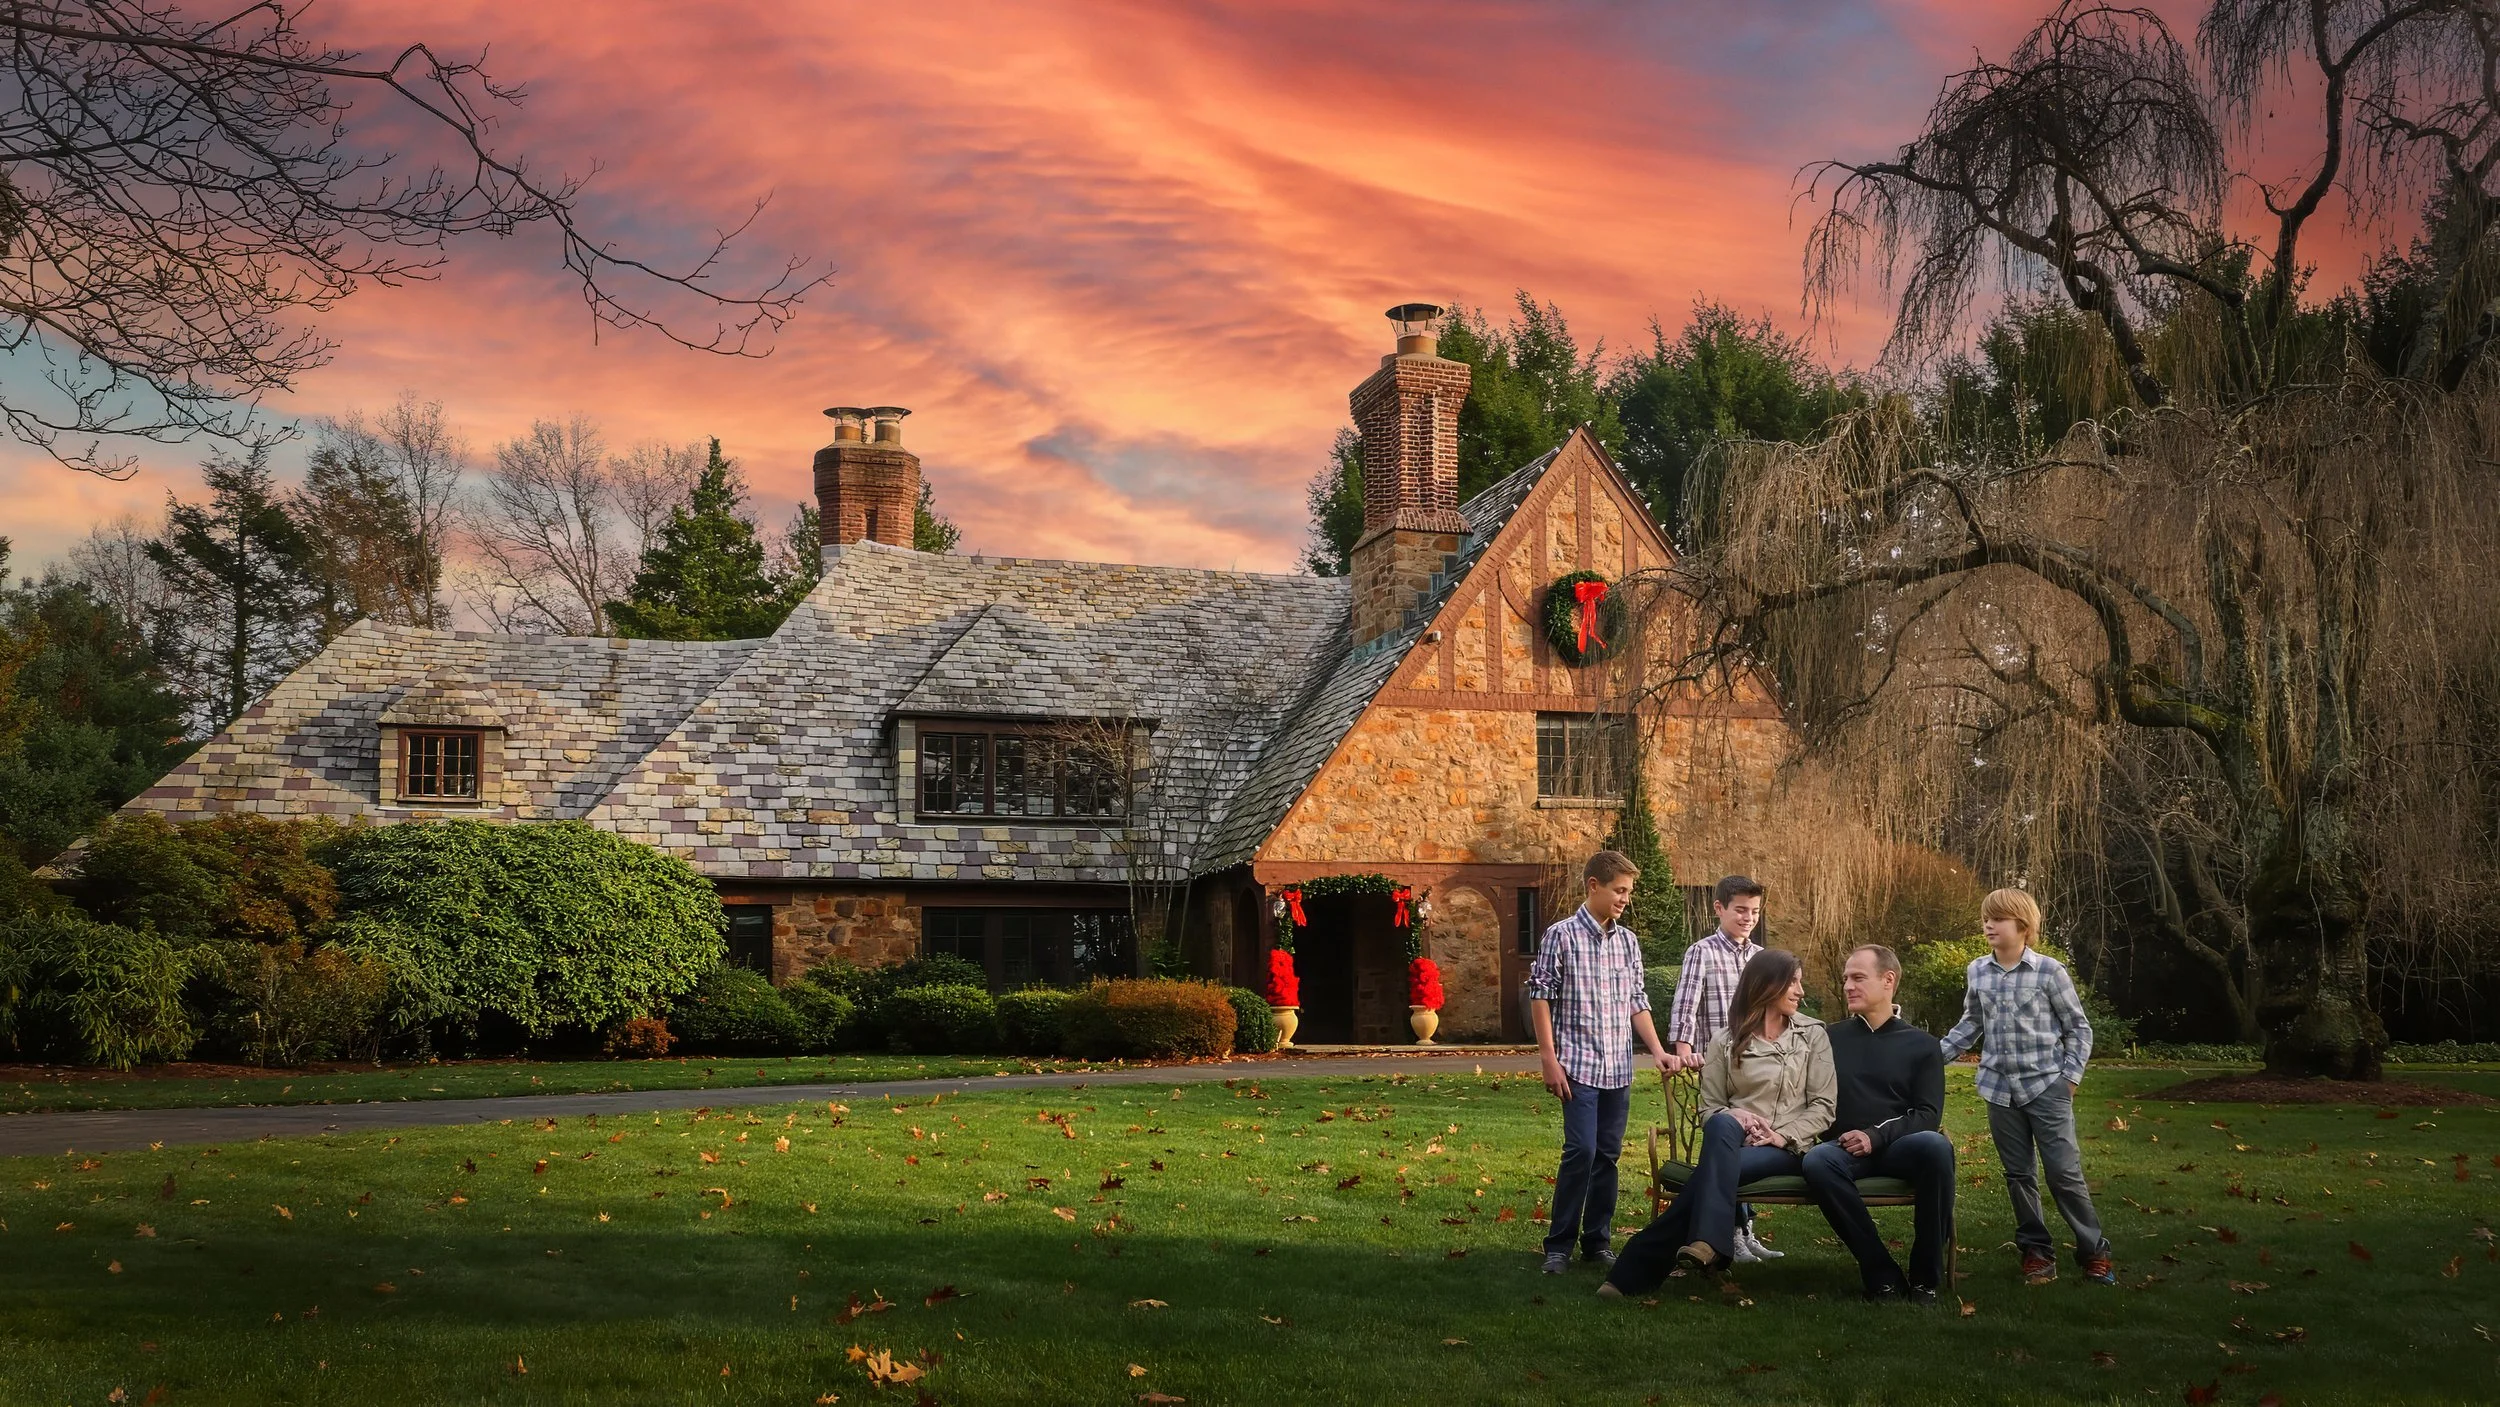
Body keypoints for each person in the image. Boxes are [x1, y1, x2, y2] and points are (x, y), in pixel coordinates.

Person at [1601, 948, 1833, 1295]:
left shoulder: (1812, 1035)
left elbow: (1824, 1105)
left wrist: (1780, 1136)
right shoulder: (1725, 1041)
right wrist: (1732, 1113)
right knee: (1723, 1123)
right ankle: (1708, 1243)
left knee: (1711, 1171)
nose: (1800, 991)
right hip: (1732, 1142)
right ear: (1767, 986)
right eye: (1793, 983)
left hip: (1788, 1147)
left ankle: (1680, 1251)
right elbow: (1709, 1109)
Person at [1939, 888, 2116, 1286]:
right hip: (1999, 1091)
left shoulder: (2049, 971)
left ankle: (2094, 1253)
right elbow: (1971, 1024)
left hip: (2046, 1086)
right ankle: (2036, 1252)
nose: (1988, 925)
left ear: (2023, 926)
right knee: (2019, 1176)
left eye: (1997, 919)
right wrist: (1931, 1057)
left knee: (2063, 1174)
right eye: (1986, 918)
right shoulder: (1978, 971)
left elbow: (2078, 1028)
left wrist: (2069, 1078)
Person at [1526, 850, 1676, 1275]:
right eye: (1620, 890)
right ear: (1594, 886)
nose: (1625, 899)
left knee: (1607, 1155)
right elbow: (1540, 995)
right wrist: (1548, 1060)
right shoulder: (1562, 936)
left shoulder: (1627, 942)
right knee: (1581, 1151)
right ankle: (1558, 1246)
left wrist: (1659, 1050)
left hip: (1618, 1070)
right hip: (1576, 1066)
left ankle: (1597, 1242)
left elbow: (1637, 1003)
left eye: (1628, 892)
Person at [1803, 944, 1955, 1305]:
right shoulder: (1829, 1037)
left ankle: (1925, 1278)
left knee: (1936, 1147)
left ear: (1888, 981)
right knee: (1817, 1162)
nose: (1848, 986)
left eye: (1858, 978)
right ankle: (1880, 1273)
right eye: (1845, 979)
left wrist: (1876, 1135)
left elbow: (1928, 1114)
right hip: (1844, 1149)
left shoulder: (1922, 1045)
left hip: (1900, 1146)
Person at [1667, 874, 1780, 1263]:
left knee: (1751, 1143)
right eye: (1740, 911)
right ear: (1719, 909)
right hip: (1717, 1069)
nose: (1748, 918)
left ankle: (1746, 1230)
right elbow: (1685, 1008)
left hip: (1755, 1069)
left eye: (1754, 912)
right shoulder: (1702, 952)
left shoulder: (1762, 958)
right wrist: (1685, 1052)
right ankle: (1728, 1233)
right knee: (1725, 1143)